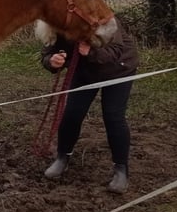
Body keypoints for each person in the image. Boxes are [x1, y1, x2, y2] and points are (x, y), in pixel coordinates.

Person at [38, 18, 139, 193]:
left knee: (113, 116)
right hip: (84, 71)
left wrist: (90, 52)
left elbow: (115, 51)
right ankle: (62, 158)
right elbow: (48, 51)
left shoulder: (102, 17)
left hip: (118, 69)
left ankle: (121, 170)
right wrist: (51, 61)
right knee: (71, 114)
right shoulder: (59, 22)